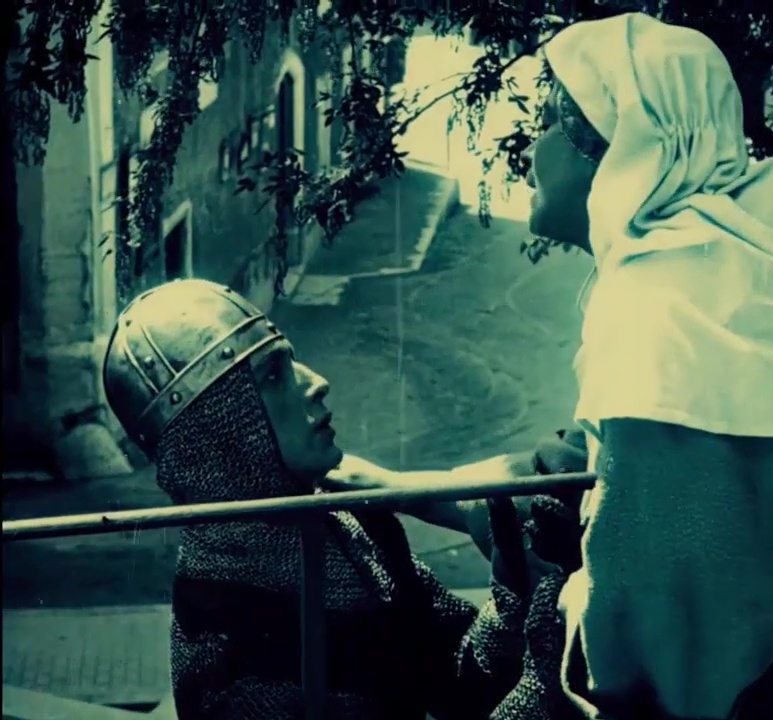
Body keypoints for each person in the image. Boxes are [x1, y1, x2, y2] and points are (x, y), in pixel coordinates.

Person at [328, 12, 773, 720]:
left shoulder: (669, 310)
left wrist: (560, 612)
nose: (531, 148)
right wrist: (387, 486)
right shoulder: (744, 254)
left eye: (549, 123)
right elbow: (568, 473)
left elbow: (646, 656)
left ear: (615, 146)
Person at [101, 278, 583, 720]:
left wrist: (512, 601)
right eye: (274, 376)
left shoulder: (350, 525)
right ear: (219, 436)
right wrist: (542, 681)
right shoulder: (225, 642)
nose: (316, 382)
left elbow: (451, 677)